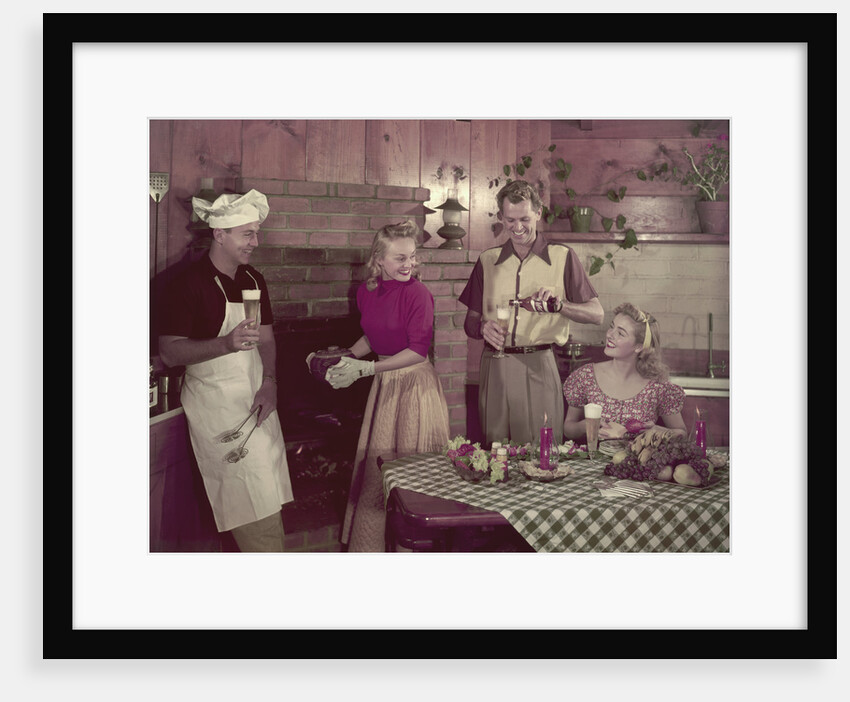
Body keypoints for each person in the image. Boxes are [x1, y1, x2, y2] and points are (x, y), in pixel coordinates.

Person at [158, 189, 293, 552]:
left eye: (257, 232)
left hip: (257, 401)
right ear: (220, 234)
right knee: (250, 506)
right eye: (247, 233)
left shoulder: (254, 281)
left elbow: (266, 340)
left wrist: (270, 382)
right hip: (217, 408)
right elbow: (169, 353)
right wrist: (226, 344)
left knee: (268, 497)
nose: (256, 241)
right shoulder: (185, 283)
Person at [313, 220, 450, 552]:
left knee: (412, 476)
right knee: (379, 473)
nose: (409, 265)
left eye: (412, 257)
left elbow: (417, 351)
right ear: (379, 260)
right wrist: (345, 357)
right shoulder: (366, 291)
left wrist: (365, 369)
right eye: (400, 258)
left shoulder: (419, 294)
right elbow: (372, 337)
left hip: (415, 388)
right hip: (384, 384)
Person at [459, 180, 604, 447]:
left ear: (538, 213)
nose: (517, 228)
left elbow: (597, 314)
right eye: (510, 220)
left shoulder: (562, 257)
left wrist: (561, 306)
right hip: (494, 367)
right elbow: (469, 321)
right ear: (501, 216)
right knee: (495, 453)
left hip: (539, 364)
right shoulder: (487, 261)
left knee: (542, 454)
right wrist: (481, 328)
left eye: (524, 218)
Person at [562, 302, 687, 441]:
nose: (610, 335)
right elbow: (568, 429)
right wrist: (585, 426)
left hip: (637, 461)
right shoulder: (585, 376)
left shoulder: (658, 387)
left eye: (620, 333)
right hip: (592, 461)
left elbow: (682, 434)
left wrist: (657, 431)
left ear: (639, 346)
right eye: (611, 327)